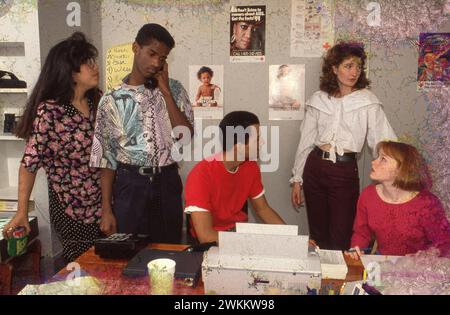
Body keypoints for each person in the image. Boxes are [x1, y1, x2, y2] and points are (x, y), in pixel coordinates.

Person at [1, 32, 103, 262]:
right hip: (71, 211)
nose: (94, 67)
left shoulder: (97, 101)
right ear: (70, 72)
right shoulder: (51, 111)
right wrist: (21, 212)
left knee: (109, 267)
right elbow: (29, 164)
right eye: (87, 63)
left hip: (105, 205)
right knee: (82, 271)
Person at [90, 24, 194, 244]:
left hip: (167, 181)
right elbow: (106, 159)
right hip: (130, 183)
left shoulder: (175, 90)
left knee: (169, 251)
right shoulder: (111, 99)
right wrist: (106, 210)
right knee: (130, 253)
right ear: (135, 47)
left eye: (163, 58)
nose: (156, 63)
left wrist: (165, 93)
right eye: (152, 53)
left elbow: (185, 137)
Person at [290, 42, 397, 251]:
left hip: (344, 171)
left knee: (342, 236)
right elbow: (306, 141)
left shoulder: (367, 101)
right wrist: (297, 179)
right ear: (334, 68)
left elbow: (383, 142)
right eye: (348, 66)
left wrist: (396, 174)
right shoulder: (319, 99)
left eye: (358, 66)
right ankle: (320, 281)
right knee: (318, 235)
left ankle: (338, 281)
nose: (354, 72)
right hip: (315, 168)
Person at [184, 111, 285, 244]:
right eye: (258, 139)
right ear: (239, 147)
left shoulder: (250, 166)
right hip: (212, 242)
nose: (263, 142)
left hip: (238, 235)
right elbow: (206, 236)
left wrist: (293, 239)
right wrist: (252, 241)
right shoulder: (201, 175)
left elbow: (263, 209)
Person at [346, 141, 450, 259]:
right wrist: (355, 249)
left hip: (418, 270)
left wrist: (425, 259)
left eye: (383, 159)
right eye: (378, 157)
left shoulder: (427, 203)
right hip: (382, 264)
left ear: (402, 169)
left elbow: (445, 244)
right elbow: (361, 233)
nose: (373, 162)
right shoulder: (368, 195)